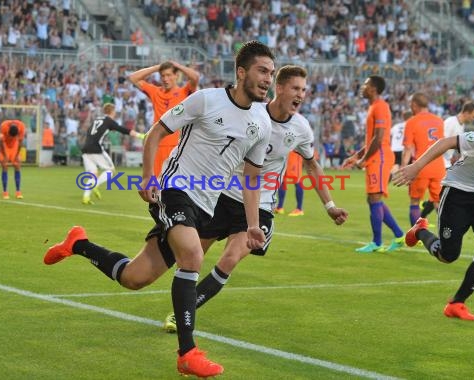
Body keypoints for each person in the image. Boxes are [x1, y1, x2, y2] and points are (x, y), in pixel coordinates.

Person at [43, 40, 276, 377]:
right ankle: (187, 352)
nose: (268, 78)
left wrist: (253, 224)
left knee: (135, 277)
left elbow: (252, 177)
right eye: (262, 71)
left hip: (206, 205)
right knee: (193, 256)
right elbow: (155, 133)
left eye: (271, 72)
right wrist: (148, 178)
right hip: (174, 188)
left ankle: (78, 243)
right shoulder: (206, 99)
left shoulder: (262, 123)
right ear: (241, 72)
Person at [162, 64, 349, 333]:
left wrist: (329, 205)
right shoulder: (252, 114)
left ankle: (183, 317)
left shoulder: (301, 128)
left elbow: (312, 165)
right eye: (296, 88)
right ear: (279, 88)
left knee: (229, 259)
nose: (301, 94)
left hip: (259, 207)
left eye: (304, 90)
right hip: (221, 197)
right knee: (190, 258)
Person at [393, 127, 474, 321]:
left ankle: (457, 303)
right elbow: (446, 142)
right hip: (459, 192)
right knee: (448, 255)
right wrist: (416, 167)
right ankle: (420, 231)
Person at [343, 75, 404, 253]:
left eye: (366, 84)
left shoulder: (381, 107)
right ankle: (399, 235)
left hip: (381, 157)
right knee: (373, 199)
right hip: (377, 156)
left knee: (375, 198)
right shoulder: (373, 107)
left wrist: (363, 160)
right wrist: (356, 155)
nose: (363, 87)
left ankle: (377, 243)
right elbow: (371, 140)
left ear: (374, 88)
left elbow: (379, 138)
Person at [128, 60, 199, 178]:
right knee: (155, 185)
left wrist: (178, 65)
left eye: (169, 75)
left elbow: (195, 77)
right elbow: (133, 77)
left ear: (176, 75)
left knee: (173, 187)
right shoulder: (155, 92)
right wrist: (157, 67)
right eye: (163, 76)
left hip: (176, 147)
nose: (165, 79)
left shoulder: (184, 92)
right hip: (156, 146)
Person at [421, 101, 474, 219]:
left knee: (440, 192)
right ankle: (439, 218)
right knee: (442, 192)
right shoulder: (450, 122)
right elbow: (439, 142)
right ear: (466, 113)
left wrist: (455, 156)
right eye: (473, 116)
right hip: (440, 161)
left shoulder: (461, 125)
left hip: (446, 162)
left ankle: (423, 215)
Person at [80, 103, 144, 205]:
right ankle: (95, 185)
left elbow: (89, 132)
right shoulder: (108, 121)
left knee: (93, 175)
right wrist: (140, 135)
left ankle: (86, 197)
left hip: (85, 149)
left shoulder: (97, 119)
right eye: (114, 112)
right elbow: (123, 130)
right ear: (112, 112)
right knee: (110, 170)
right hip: (96, 149)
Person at [401, 92, 445, 226]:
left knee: (415, 201)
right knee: (438, 202)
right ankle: (446, 235)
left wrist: (404, 169)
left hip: (421, 166)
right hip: (438, 167)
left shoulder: (412, 122)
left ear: (414, 105)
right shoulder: (439, 120)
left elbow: (408, 148)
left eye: (410, 104)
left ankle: (416, 236)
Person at [0, 119, 25, 199]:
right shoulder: (3, 126)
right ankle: (5, 192)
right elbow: (1, 143)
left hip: (14, 146)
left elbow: (20, 143)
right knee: (5, 165)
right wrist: (5, 155)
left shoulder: (21, 127)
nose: (11, 137)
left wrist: (16, 155)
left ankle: (18, 191)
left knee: (17, 165)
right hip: (5, 145)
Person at [274, 151, 305, 216]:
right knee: (282, 179)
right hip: (285, 153)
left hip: (295, 153)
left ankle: (299, 209)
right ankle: (280, 207)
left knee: (297, 179)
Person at [390, 110, 412, 175]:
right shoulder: (411, 125)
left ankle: (389, 178)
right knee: (409, 165)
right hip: (404, 149)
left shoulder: (396, 126)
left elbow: (390, 135)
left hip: (394, 148)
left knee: (396, 165)